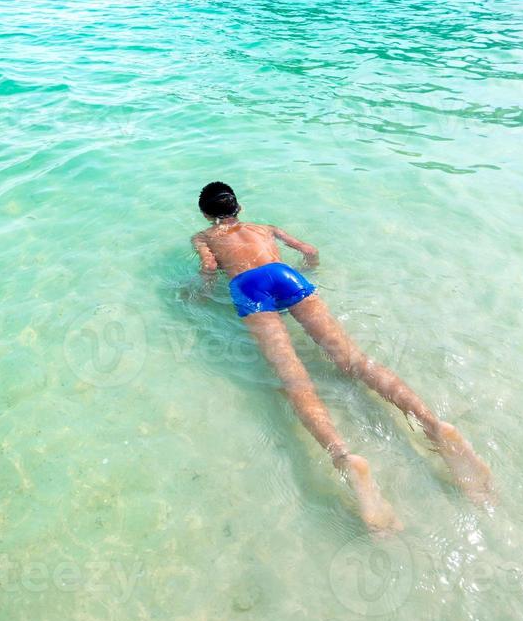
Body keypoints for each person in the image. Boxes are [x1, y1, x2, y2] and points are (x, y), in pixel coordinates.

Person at [191, 181, 493, 531]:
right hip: (285, 276)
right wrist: (311, 267)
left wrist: (198, 294)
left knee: (293, 377)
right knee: (354, 360)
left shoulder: (203, 237)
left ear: (205, 214)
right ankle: (433, 425)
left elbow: (210, 269)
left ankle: (343, 456)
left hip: (248, 287)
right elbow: (310, 251)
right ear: (239, 208)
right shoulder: (264, 227)